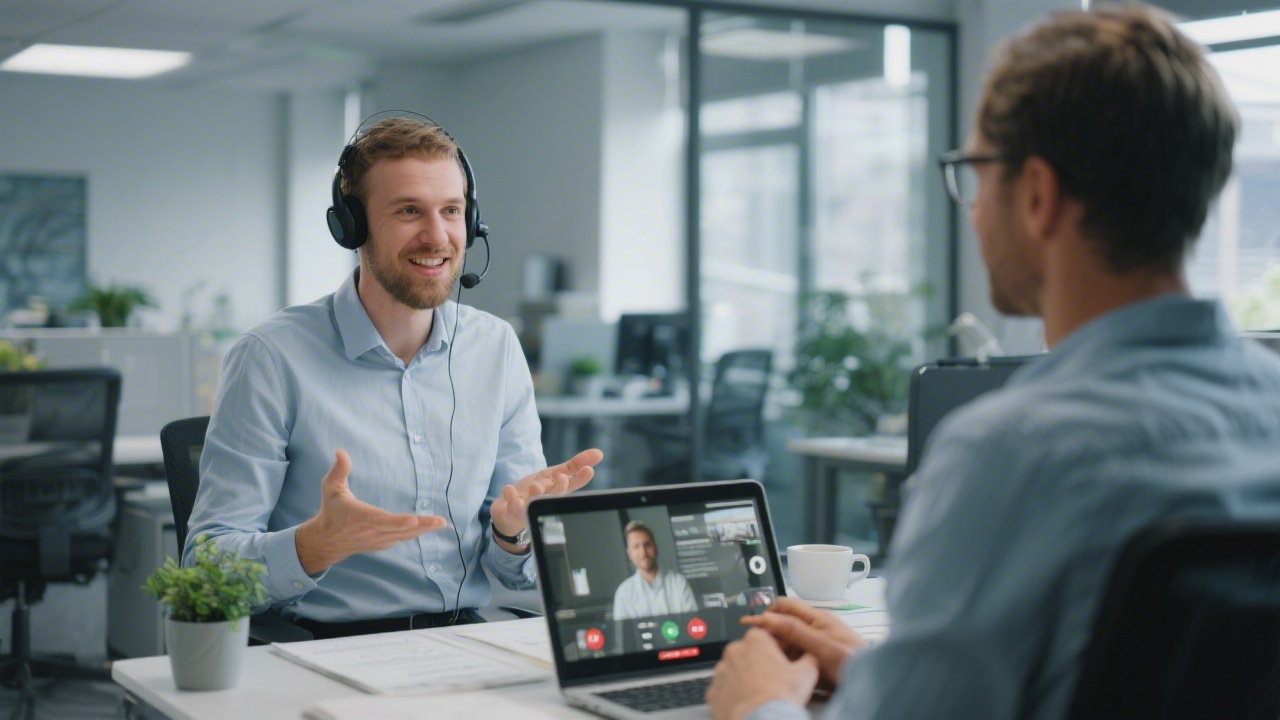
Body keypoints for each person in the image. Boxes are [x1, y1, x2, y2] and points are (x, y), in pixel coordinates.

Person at [707, 6, 1280, 720]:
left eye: (975, 174)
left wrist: (759, 705)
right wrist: (885, 676)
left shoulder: (1011, 453)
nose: (972, 212)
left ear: (1037, 195)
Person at [184, 116, 603, 638]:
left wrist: (513, 533)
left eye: (452, 211)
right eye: (408, 211)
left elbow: (520, 573)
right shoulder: (271, 357)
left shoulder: (495, 348)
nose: (438, 236)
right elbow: (204, 570)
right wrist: (314, 545)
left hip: (465, 639)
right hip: (327, 646)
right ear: (352, 226)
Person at [612, 521, 698, 620]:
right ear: (629, 553)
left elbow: (692, 623)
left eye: (647, 545)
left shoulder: (678, 583)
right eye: (636, 546)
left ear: (655, 547)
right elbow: (623, 629)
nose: (643, 552)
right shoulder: (624, 593)